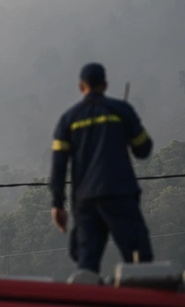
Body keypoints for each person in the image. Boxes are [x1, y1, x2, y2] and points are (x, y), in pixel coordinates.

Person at [49, 63, 154, 274]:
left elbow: (59, 165)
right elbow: (143, 148)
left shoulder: (69, 119)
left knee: (86, 263)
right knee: (139, 259)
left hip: (85, 200)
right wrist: (125, 133)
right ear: (105, 85)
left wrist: (57, 205)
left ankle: (88, 294)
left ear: (81, 86)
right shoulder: (121, 110)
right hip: (120, 194)